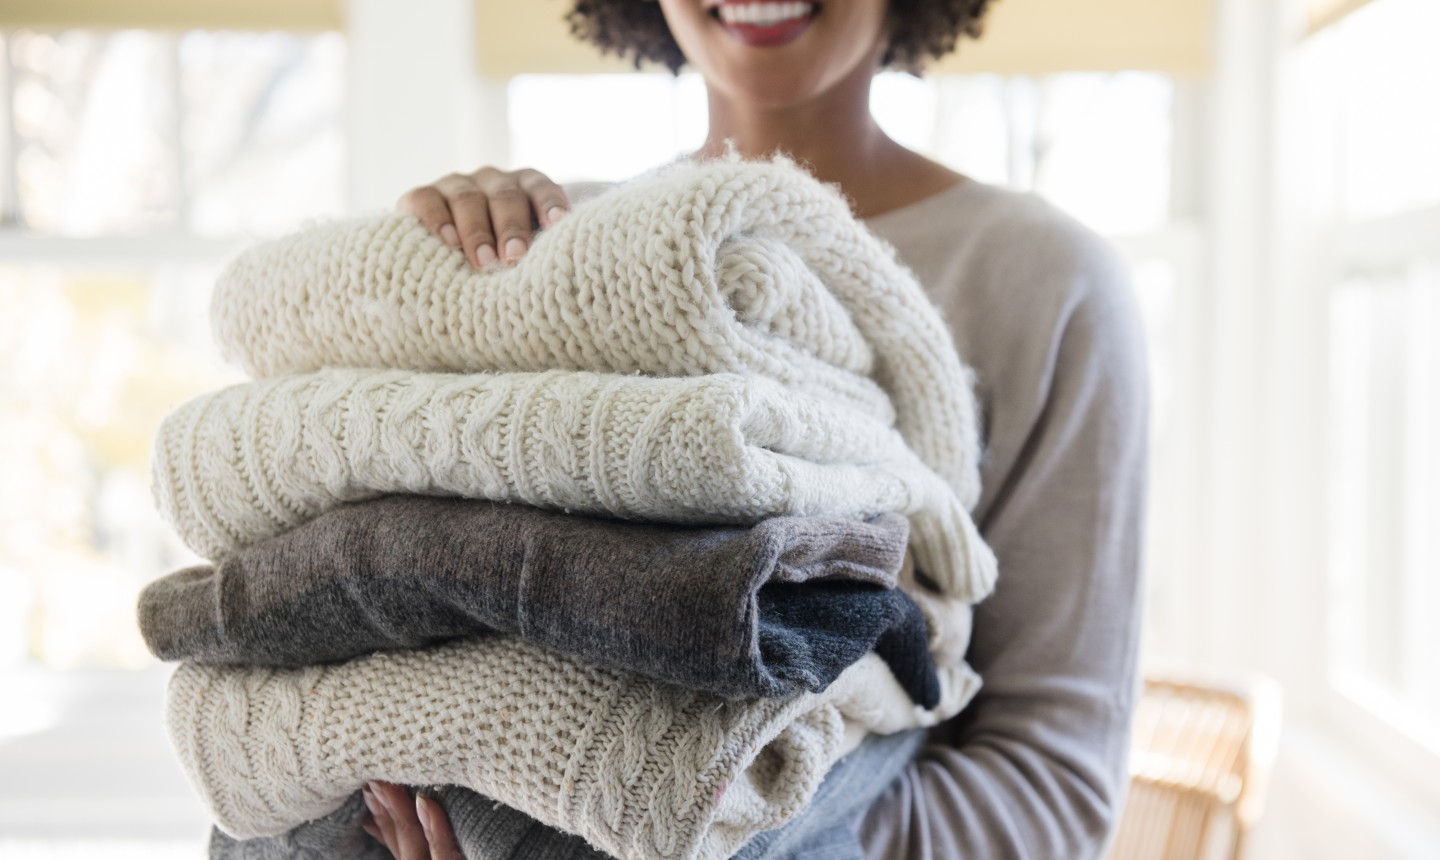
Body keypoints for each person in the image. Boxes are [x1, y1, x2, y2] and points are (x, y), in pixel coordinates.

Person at [361, 0, 1149, 857]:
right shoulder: (556, 248)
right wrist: (423, 273)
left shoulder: (1043, 280)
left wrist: (727, 824)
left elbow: (1052, 797)